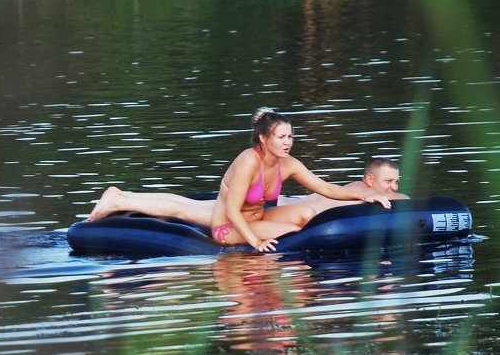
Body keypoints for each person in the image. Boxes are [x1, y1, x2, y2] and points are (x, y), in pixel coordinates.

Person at [86, 108, 391, 252]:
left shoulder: (288, 164)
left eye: (290, 136)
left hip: (255, 216)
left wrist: (364, 196)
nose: (288, 142)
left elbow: (324, 188)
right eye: (281, 137)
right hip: (228, 225)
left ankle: (121, 197)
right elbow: (232, 211)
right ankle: (118, 199)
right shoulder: (248, 161)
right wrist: (255, 240)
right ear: (263, 138)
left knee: (182, 206)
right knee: (181, 210)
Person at [277, 156, 407, 213]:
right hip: (280, 207)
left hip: (283, 202)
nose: (394, 187)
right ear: (370, 180)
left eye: (396, 182)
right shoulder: (362, 189)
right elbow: (403, 200)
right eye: (388, 181)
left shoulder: (354, 190)